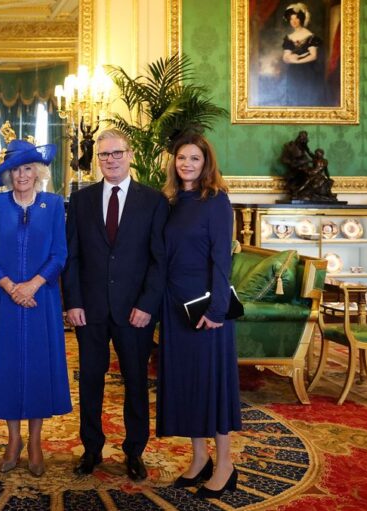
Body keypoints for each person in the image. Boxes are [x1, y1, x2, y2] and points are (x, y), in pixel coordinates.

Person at [62, 128, 167, 481]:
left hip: (135, 312)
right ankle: (91, 449)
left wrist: (147, 305)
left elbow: (158, 260)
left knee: (136, 383)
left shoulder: (153, 201)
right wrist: (72, 302)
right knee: (90, 381)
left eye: (117, 153)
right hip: (89, 310)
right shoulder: (81, 200)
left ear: (131, 154)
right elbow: (71, 256)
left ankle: (134, 451)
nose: (110, 160)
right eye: (104, 155)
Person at [0, 140, 72, 477]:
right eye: (16, 169)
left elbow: (60, 253)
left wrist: (32, 284)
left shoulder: (54, 204)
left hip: (40, 299)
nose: (22, 175)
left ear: (39, 172)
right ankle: (13, 440)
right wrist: (9, 286)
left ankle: (35, 441)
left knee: (37, 368)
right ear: (8, 174)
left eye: (28, 168)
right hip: (3, 301)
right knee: (8, 368)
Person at [157, 133, 242, 500]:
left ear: (206, 162)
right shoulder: (172, 201)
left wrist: (217, 309)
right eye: (181, 158)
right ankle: (199, 459)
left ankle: (225, 464)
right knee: (187, 384)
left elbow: (223, 259)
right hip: (175, 308)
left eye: (194, 158)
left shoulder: (216, 201)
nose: (187, 164)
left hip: (208, 309)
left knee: (213, 386)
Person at [282, 3, 325, 106]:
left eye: (296, 18)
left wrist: (297, 60)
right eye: (291, 19)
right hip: (293, 72)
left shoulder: (310, 36)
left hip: (308, 71)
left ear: (301, 19)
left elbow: (313, 55)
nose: (294, 21)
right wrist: (289, 58)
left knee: (306, 96)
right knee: (293, 96)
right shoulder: (289, 37)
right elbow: (285, 56)